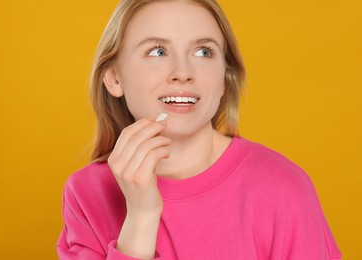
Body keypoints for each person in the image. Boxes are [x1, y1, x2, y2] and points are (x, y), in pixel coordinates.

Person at [56, 0, 342, 259]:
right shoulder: (85, 194)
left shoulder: (283, 188)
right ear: (114, 77)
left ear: (224, 80)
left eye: (203, 52)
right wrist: (142, 217)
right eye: (157, 51)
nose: (183, 72)